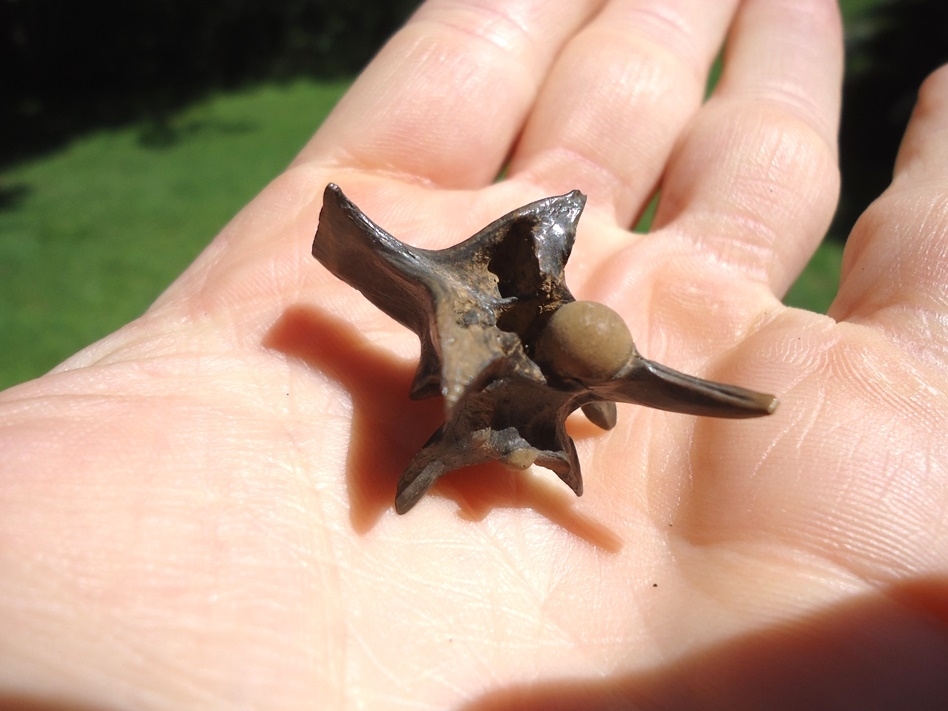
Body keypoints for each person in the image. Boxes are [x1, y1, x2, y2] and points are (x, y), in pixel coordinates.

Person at [2, 0, 947, 708]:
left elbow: (601, 359)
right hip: (481, 350)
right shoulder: (495, 349)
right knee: (402, 265)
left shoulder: (565, 333)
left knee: (600, 366)